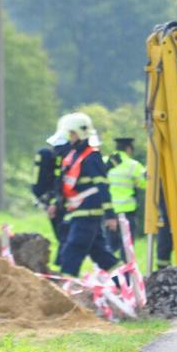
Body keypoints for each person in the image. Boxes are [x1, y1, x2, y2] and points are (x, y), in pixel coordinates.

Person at [47, 112, 121, 277]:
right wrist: (54, 202)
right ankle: (127, 284)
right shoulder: (73, 156)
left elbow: (102, 187)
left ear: (80, 134)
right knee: (102, 256)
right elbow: (63, 184)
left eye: (72, 133)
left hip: (88, 214)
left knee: (72, 250)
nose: (70, 137)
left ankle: (65, 289)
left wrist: (110, 216)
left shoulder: (92, 157)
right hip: (78, 212)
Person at [105, 137, 147, 262]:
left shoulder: (104, 162)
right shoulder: (133, 165)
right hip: (126, 213)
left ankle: (107, 277)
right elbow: (145, 184)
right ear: (128, 149)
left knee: (108, 247)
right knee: (126, 251)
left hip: (109, 213)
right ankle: (126, 278)